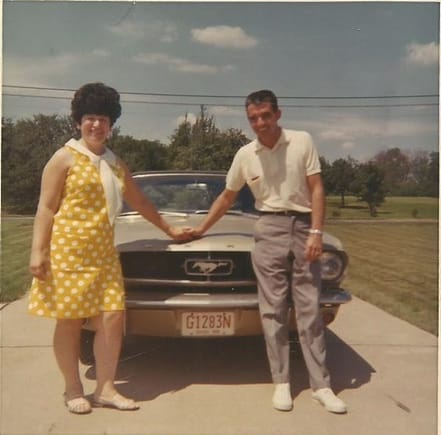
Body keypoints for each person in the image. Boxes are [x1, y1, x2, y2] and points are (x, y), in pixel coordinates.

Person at [28, 82, 191, 414]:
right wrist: (38, 251)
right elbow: (45, 207)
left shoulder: (116, 163)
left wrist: (170, 228)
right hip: (69, 252)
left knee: (113, 318)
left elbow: (141, 201)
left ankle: (105, 389)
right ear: (78, 121)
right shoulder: (63, 158)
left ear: (111, 124)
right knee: (70, 321)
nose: (96, 125)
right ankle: (73, 389)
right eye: (90, 118)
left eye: (103, 119)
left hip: (104, 254)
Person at [189, 89, 347, 414]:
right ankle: (282, 383)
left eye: (265, 116)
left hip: (304, 227)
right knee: (272, 310)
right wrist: (202, 229)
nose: (260, 123)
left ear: (278, 114)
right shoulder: (245, 155)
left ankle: (322, 386)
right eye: (253, 118)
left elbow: (317, 188)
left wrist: (317, 231)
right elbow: (226, 198)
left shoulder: (302, 141)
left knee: (309, 310)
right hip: (268, 229)